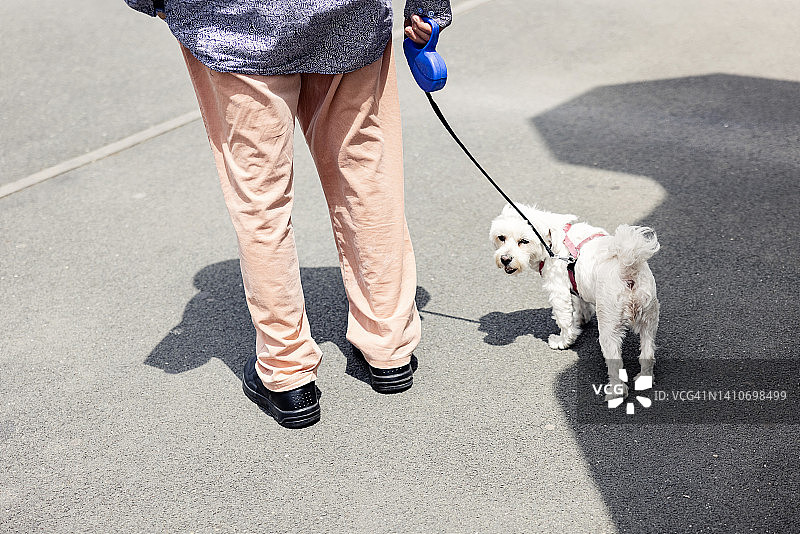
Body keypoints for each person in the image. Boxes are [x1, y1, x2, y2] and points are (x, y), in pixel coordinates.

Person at [123, 0, 452, 428]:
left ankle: (288, 374)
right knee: (365, 180)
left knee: (261, 202)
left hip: (234, 28)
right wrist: (428, 10)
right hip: (346, 17)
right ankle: (388, 348)